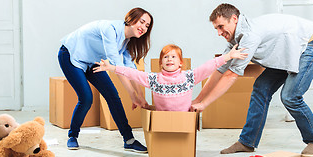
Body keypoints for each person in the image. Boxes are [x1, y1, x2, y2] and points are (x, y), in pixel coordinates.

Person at [191, 3, 313, 155]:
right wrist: (198, 100)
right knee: (261, 88)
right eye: (216, 29)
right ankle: (247, 142)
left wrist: (205, 104)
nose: (219, 33)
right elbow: (219, 71)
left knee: (290, 96)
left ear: (234, 19)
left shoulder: (250, 35)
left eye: (221, 26)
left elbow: (231, 75)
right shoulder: (235, 40)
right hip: (290, 52)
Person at [58, 7, 153, 153]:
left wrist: (140, 96)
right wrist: (132, 95)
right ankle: (73, 136)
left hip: (92, 62)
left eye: (147, 26)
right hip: (71, 56)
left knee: (113, 96)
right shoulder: (111, 29)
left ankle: (129, 140)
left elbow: (130, 69)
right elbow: (117, 66)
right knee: (86, 98)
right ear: (131, 19)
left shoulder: (127, 41)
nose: (144, 28)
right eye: (142, 22)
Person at [93, 44, 248, 112]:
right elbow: (132, 73)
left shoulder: (188, 77)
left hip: (183, 121)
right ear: (161, 63)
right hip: (162, 121)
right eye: (166, 57)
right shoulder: (155, 79)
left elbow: (208, 67)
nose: (169, 59)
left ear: (180, 63)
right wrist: (112, 68)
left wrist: (227, 56)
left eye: (173, 57)